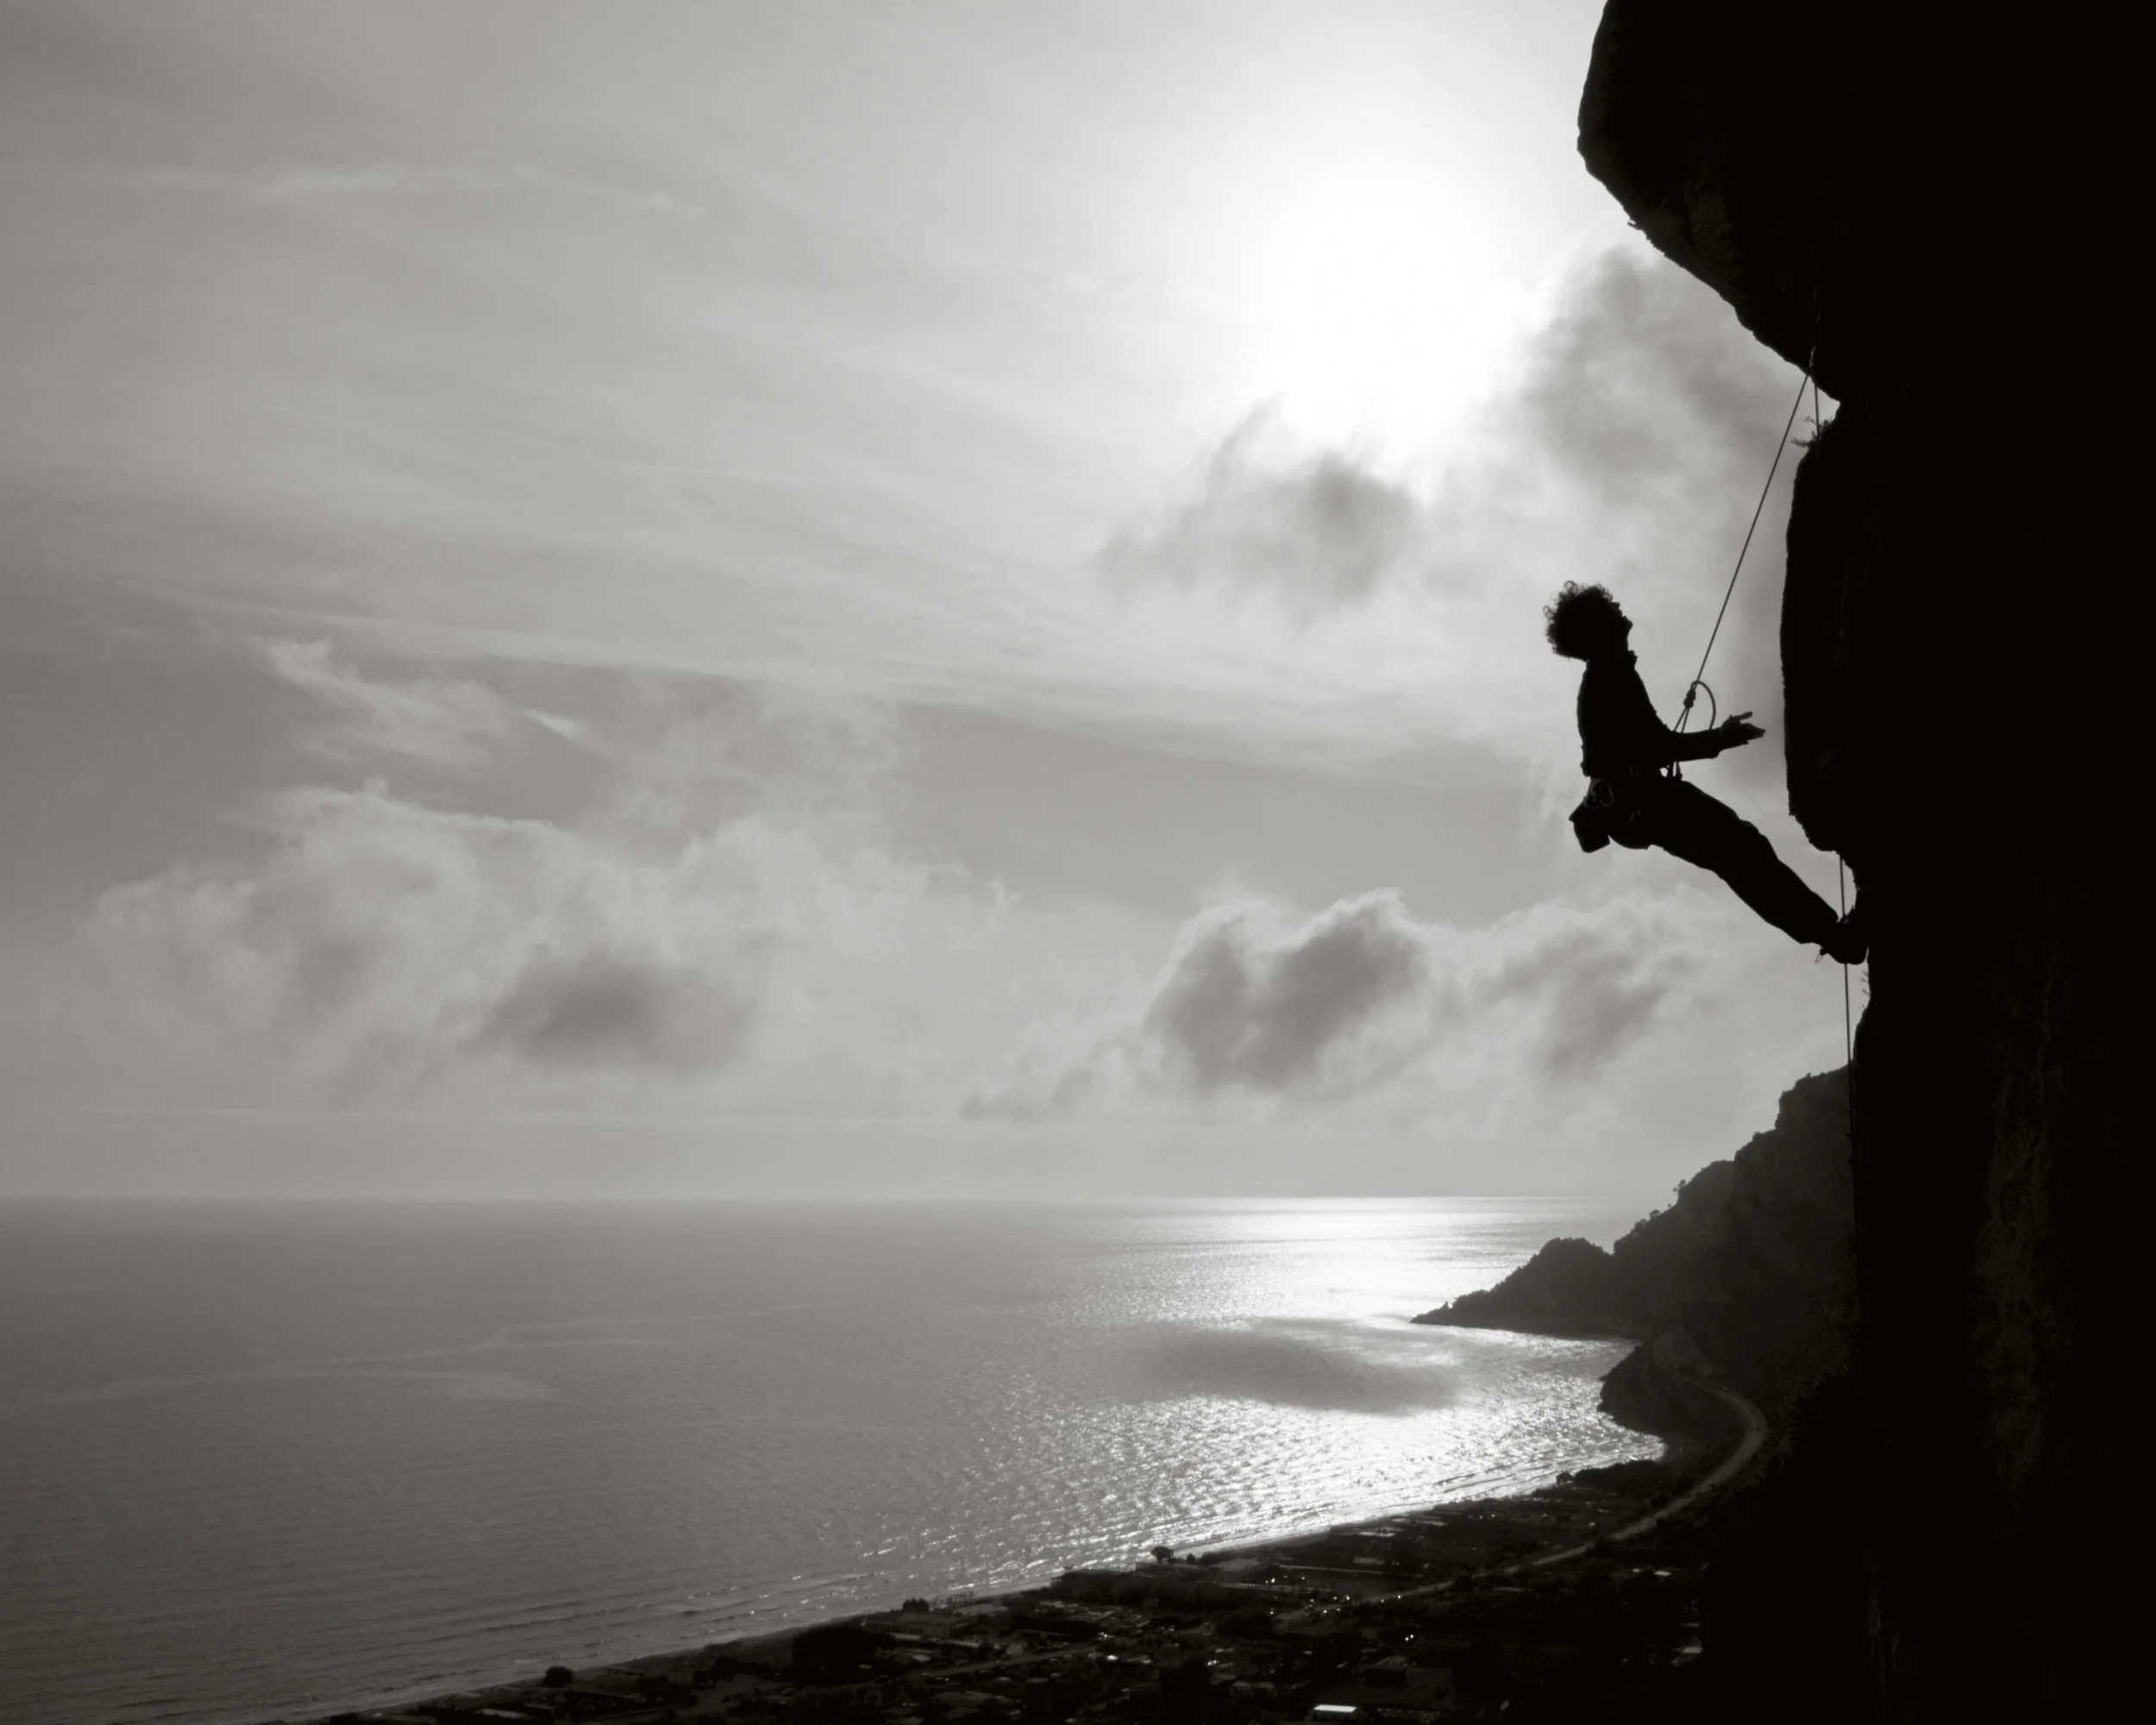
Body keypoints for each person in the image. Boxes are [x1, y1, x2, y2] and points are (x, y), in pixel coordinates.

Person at [1545, 580, 1866, 964]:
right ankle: (1834, 936)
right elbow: (1657, 745)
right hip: (1642, 802)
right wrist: (1721, 739)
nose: (1619, 609)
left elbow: (1650, 743)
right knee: (1740, 851)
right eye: (1610, 608)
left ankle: (1832, 934)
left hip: (1636, 804)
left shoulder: (1610, 675)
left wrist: (1717, 739)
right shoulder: (1607, 679)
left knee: (1739, 851)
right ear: (1599, 629)